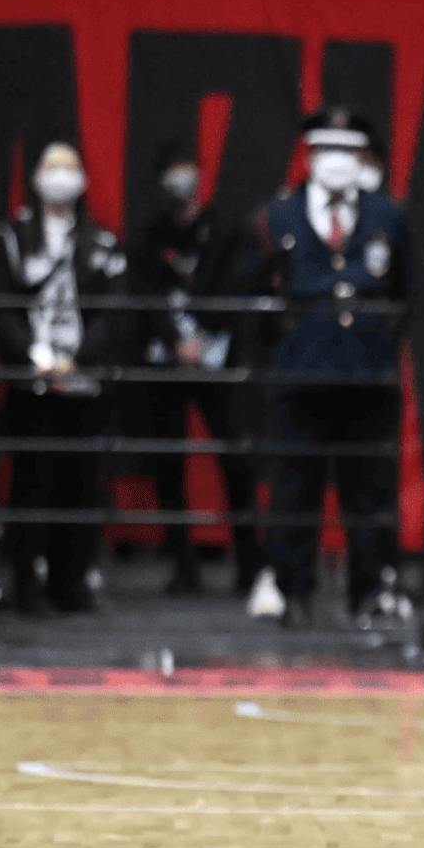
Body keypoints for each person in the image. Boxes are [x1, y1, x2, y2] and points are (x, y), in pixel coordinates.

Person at [253, 109, 411, 629]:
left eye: (350, 152)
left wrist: (383, 342)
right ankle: (291, 591)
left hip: (368, 379)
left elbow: (406, 293)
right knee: (295, 491)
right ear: (311, 156)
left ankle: (369, 594)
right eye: (328, 151)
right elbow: (255, 291)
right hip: (302, 377)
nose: (339, 162)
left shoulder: (388, 216)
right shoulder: (278, 215)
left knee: (368, 494)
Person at [0, 143, 125, 613]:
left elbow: (112, 313)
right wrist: (35, 354)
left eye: (69, 166)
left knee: (81, 484)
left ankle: (71, 585)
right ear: (35, 176)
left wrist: (79, 358)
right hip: (32, 381)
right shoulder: (12, 236)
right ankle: (25, 585)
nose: (60, 176)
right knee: (31, 485)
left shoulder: (101, 240)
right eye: (51, 166)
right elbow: (3, 309)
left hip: (84, 382)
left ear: (84, 178)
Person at [130, 141, 263, 595]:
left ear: (200, 176)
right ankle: (183, 565)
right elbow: (144, 295)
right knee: (169, 464)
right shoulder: (151, 236)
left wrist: (203, 333)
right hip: (167, 363)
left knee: (236, 461)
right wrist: (173, 339)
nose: (179, 180)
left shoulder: (229, 232)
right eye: (171, 171)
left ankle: (249, 563)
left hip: (217, 359)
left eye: (185, 169)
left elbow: (241, 287)